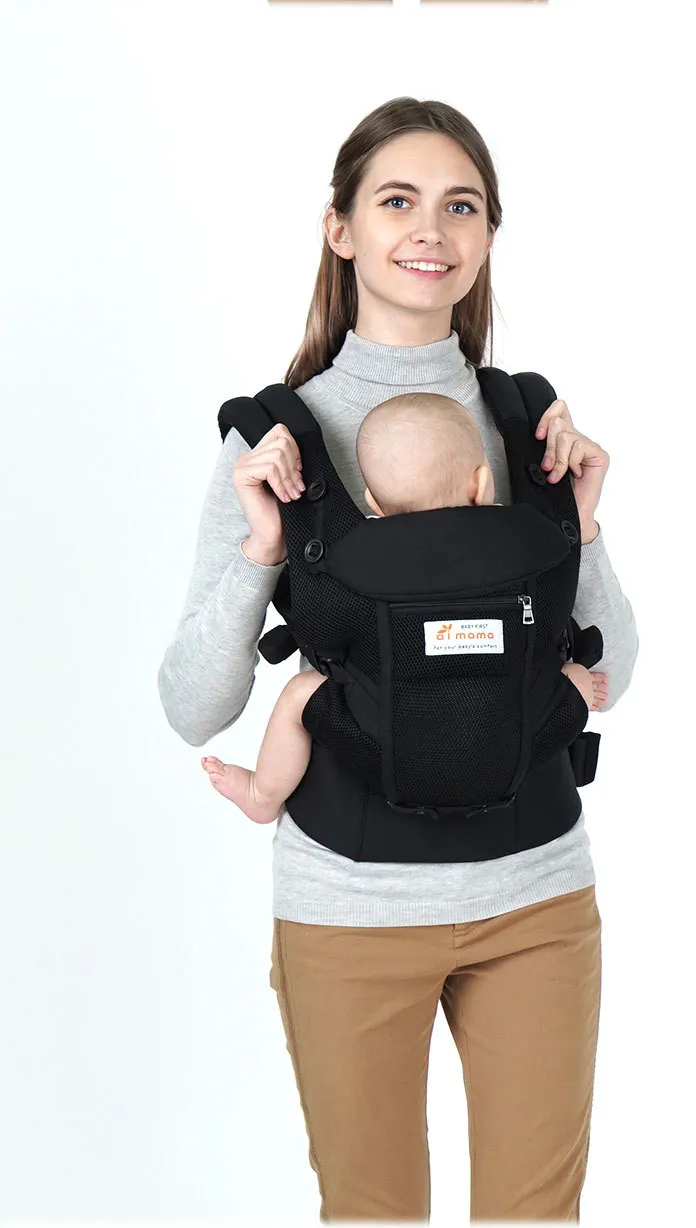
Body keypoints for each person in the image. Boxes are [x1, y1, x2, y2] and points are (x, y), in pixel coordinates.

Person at [157, 97, 639, 1222]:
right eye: (397, 200)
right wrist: (260, 551)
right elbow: (193, 706)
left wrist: (581, 524)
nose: (431, 229)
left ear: (488, 236)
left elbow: (615, 670)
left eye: (461, 206)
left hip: (536, 898)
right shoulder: (274, 438)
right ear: (341, 229)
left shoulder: (531, 425)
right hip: (348, 907)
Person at [199, 390, 609, 826]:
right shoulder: (537, 545)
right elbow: (560, 626)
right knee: (575, 674)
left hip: (386, 755)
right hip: (514, 750)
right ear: (482, 484)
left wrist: (269, 546)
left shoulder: (350, 567)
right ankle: (582, 686)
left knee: (299, 694)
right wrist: (577, 520)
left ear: (374, 506)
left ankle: (262, 794)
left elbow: (322, 634)